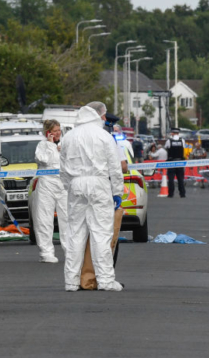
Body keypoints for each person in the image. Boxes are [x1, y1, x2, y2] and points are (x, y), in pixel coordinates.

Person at [60, 102, 125, 292]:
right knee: (101, 235)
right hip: (99, 184)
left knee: (75, 235)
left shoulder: (69, 137)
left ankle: (71, 282)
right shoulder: (104, 136)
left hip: (76, 184)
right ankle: (105, 280)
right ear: (99, 116)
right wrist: (117, 191)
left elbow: (62, 168)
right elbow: (115, 167)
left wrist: (68, 186)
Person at [79, 108, 128, 290]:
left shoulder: (77, 136)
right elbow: (122, 167)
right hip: (103, 191)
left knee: (80, 236)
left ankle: (82, 278)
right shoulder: (109, 140)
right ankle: (105, 278)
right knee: (106, 236)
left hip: (79, 191)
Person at [33, 120, 68, 263]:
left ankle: (70, 250)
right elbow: (43, 160)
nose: (58, 133)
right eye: (55, 130)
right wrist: (49, 145)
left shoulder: (65, 144)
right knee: (44, 218)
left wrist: (63, 150)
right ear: (48, 132)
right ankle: (46, 252)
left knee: (67, 218)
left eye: (59, 130)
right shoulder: (42, 145)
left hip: (63, 183)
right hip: (47, 183)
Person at [164, 128, 186, 198]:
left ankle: (171, 194)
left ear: (172, 133)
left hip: (171, 162)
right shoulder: (182, 140)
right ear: (178, 133)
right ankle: (182, 194)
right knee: (180, 179)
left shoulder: (169, 141)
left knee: (171, 179)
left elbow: (166, 147)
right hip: (180, 162)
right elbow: (184, 148)